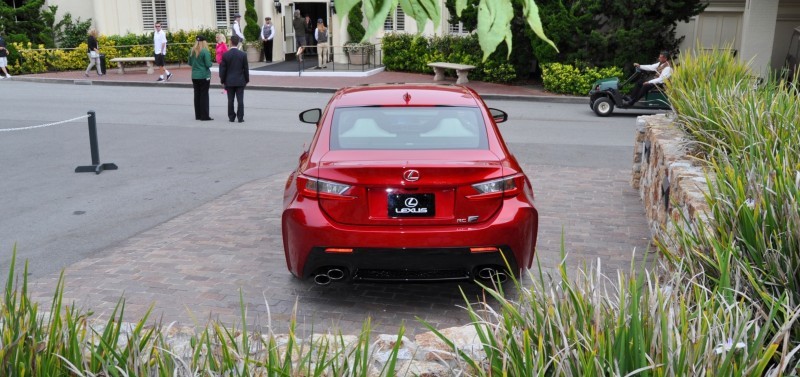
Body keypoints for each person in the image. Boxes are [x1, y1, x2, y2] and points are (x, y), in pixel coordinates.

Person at [219, 35, 249, 123]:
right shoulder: (243, 54)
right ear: (238, 43)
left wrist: (222, 80)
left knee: (230, 100)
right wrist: (246, 80)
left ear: (231, 42)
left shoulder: (225, 55)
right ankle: (240, 117)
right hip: (240, 80)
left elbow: (223, 69)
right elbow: (245, 69)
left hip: (229, 80)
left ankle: (231, 117)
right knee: (240, 100)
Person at [189, 35, 214, 121]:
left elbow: (190, 63)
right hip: (204, 75)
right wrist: (211, 64)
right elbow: (208, 64)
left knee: (197, 95)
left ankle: (198, 115)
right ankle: (205, 116)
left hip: (194, 75)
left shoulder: (192, 50)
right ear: (204, 42)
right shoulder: (205, 51)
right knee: (204, 95)